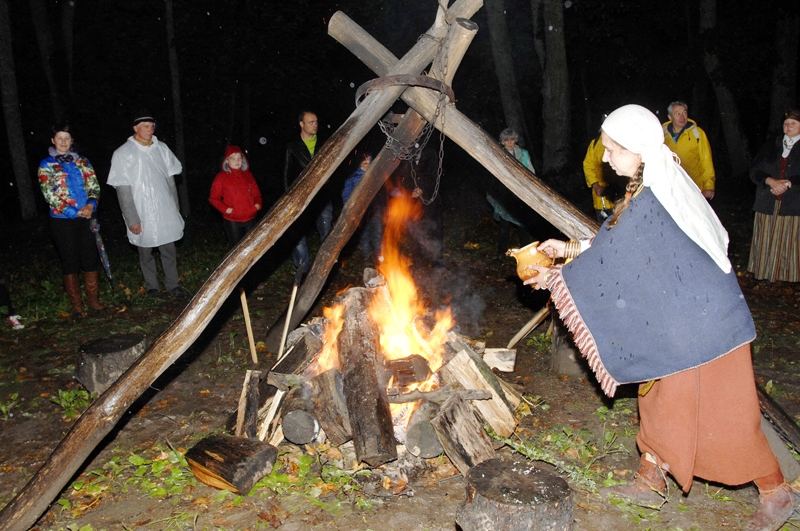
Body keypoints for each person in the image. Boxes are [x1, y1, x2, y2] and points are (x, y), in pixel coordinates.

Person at [526, 104, 794, 531]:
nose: (606, 157)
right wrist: (569, 249)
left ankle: (776, 492)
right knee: (657, 396)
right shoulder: (650, 184)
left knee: (724, 414)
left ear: (638, 149)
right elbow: (619, 244)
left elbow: (622, 254)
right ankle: (651, 477)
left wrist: (558, 277)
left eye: (613, 149)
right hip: (677, 318)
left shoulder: (655, 194)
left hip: (706, 325)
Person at [107, 110, 188, 298]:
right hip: (141, 210)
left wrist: (175, 209)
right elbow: (123, 188)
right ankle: (152, 287)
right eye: (145, 126)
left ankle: (173, 284)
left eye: (152, 126)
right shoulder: (123, 153)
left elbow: (170, 182)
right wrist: (132, 218)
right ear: (135, 128)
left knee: (168, 249)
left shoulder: (162, 149)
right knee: (146, 251)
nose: (150, 130)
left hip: (164, 209)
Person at [38, 123, 105, 318]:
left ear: (72, 141)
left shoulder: (83, 162)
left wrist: (91, 205)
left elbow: (94, 185)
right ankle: (77, 306)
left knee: (90, 257)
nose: (63, 142)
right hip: (62, 220)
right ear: (53, 141)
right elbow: (49, 194)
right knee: (69, 260)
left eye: (67, 138)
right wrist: (72, 212)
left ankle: (93, 300)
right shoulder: (46, 165)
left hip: (86, 217)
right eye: (59, 138)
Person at [747, 109, 800, 282]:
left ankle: (786, 277)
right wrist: (770, 181)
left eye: (793, 123)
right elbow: (755, 170)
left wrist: (789, 183)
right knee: (766, 238)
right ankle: (764, 273)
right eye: (786, 123)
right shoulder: (772, 144)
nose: (788, 126)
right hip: (768, 199)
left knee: (788, 239)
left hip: (792, 202)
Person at [283, 110, 331, 273]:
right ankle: (302, 271)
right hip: (301, 199)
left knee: (327, 234)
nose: (315, 125)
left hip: (322, 198)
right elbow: (287, 174)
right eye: (311, 122)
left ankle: (327, 270)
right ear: (301, 124)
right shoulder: (292, 147)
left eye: (316, 122)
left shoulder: (325, 143)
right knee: (298, 237)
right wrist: (288, 199)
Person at [487, 128, 533, 260]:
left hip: (521, 195)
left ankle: (526, 254)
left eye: (512, 139)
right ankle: (501, 253)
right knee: (504, 226)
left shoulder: (524, 154)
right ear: (502, 142)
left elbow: (531, 172)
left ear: (515, 140)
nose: (509, 142)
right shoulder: (499, 155)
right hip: (505, 196)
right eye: (506, 140)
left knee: (523, 227)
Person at [209, 146, 262, 248]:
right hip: (233, 221)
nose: (237, 161)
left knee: (252, 248)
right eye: (233, 158)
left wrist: (257, 205)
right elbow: (213, 198)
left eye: (239, 158)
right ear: (227, 160)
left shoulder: (248, 175)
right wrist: (227, 210)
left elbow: (257, 193)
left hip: (250, 218)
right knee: (237, 250)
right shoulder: (221, 177)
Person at [662, 101, 716, 199]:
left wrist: (709, 185)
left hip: (694, 186)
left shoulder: (697, 134)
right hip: (671, 188)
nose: (682, 117)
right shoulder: (662, 135)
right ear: (670, 117)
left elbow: (706, 161)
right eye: (678, 114)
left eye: (685, 113)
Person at [342, 152, 383, 260]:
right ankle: (366, 259)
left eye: (369, 160)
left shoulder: (376, 175)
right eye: (364, 160)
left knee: (378, 234)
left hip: (375, 210)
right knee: (364, 235)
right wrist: (349, 211)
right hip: (359, 212)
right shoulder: (352, 177)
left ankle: (381, 259)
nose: (367, 162)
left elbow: (382, 193)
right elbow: (346, 195)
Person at [583, 133, 617, 222]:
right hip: (601, 202)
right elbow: (588, 165)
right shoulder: (596, 142)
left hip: (620, 201)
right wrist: (595, 185)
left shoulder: (622, 140)